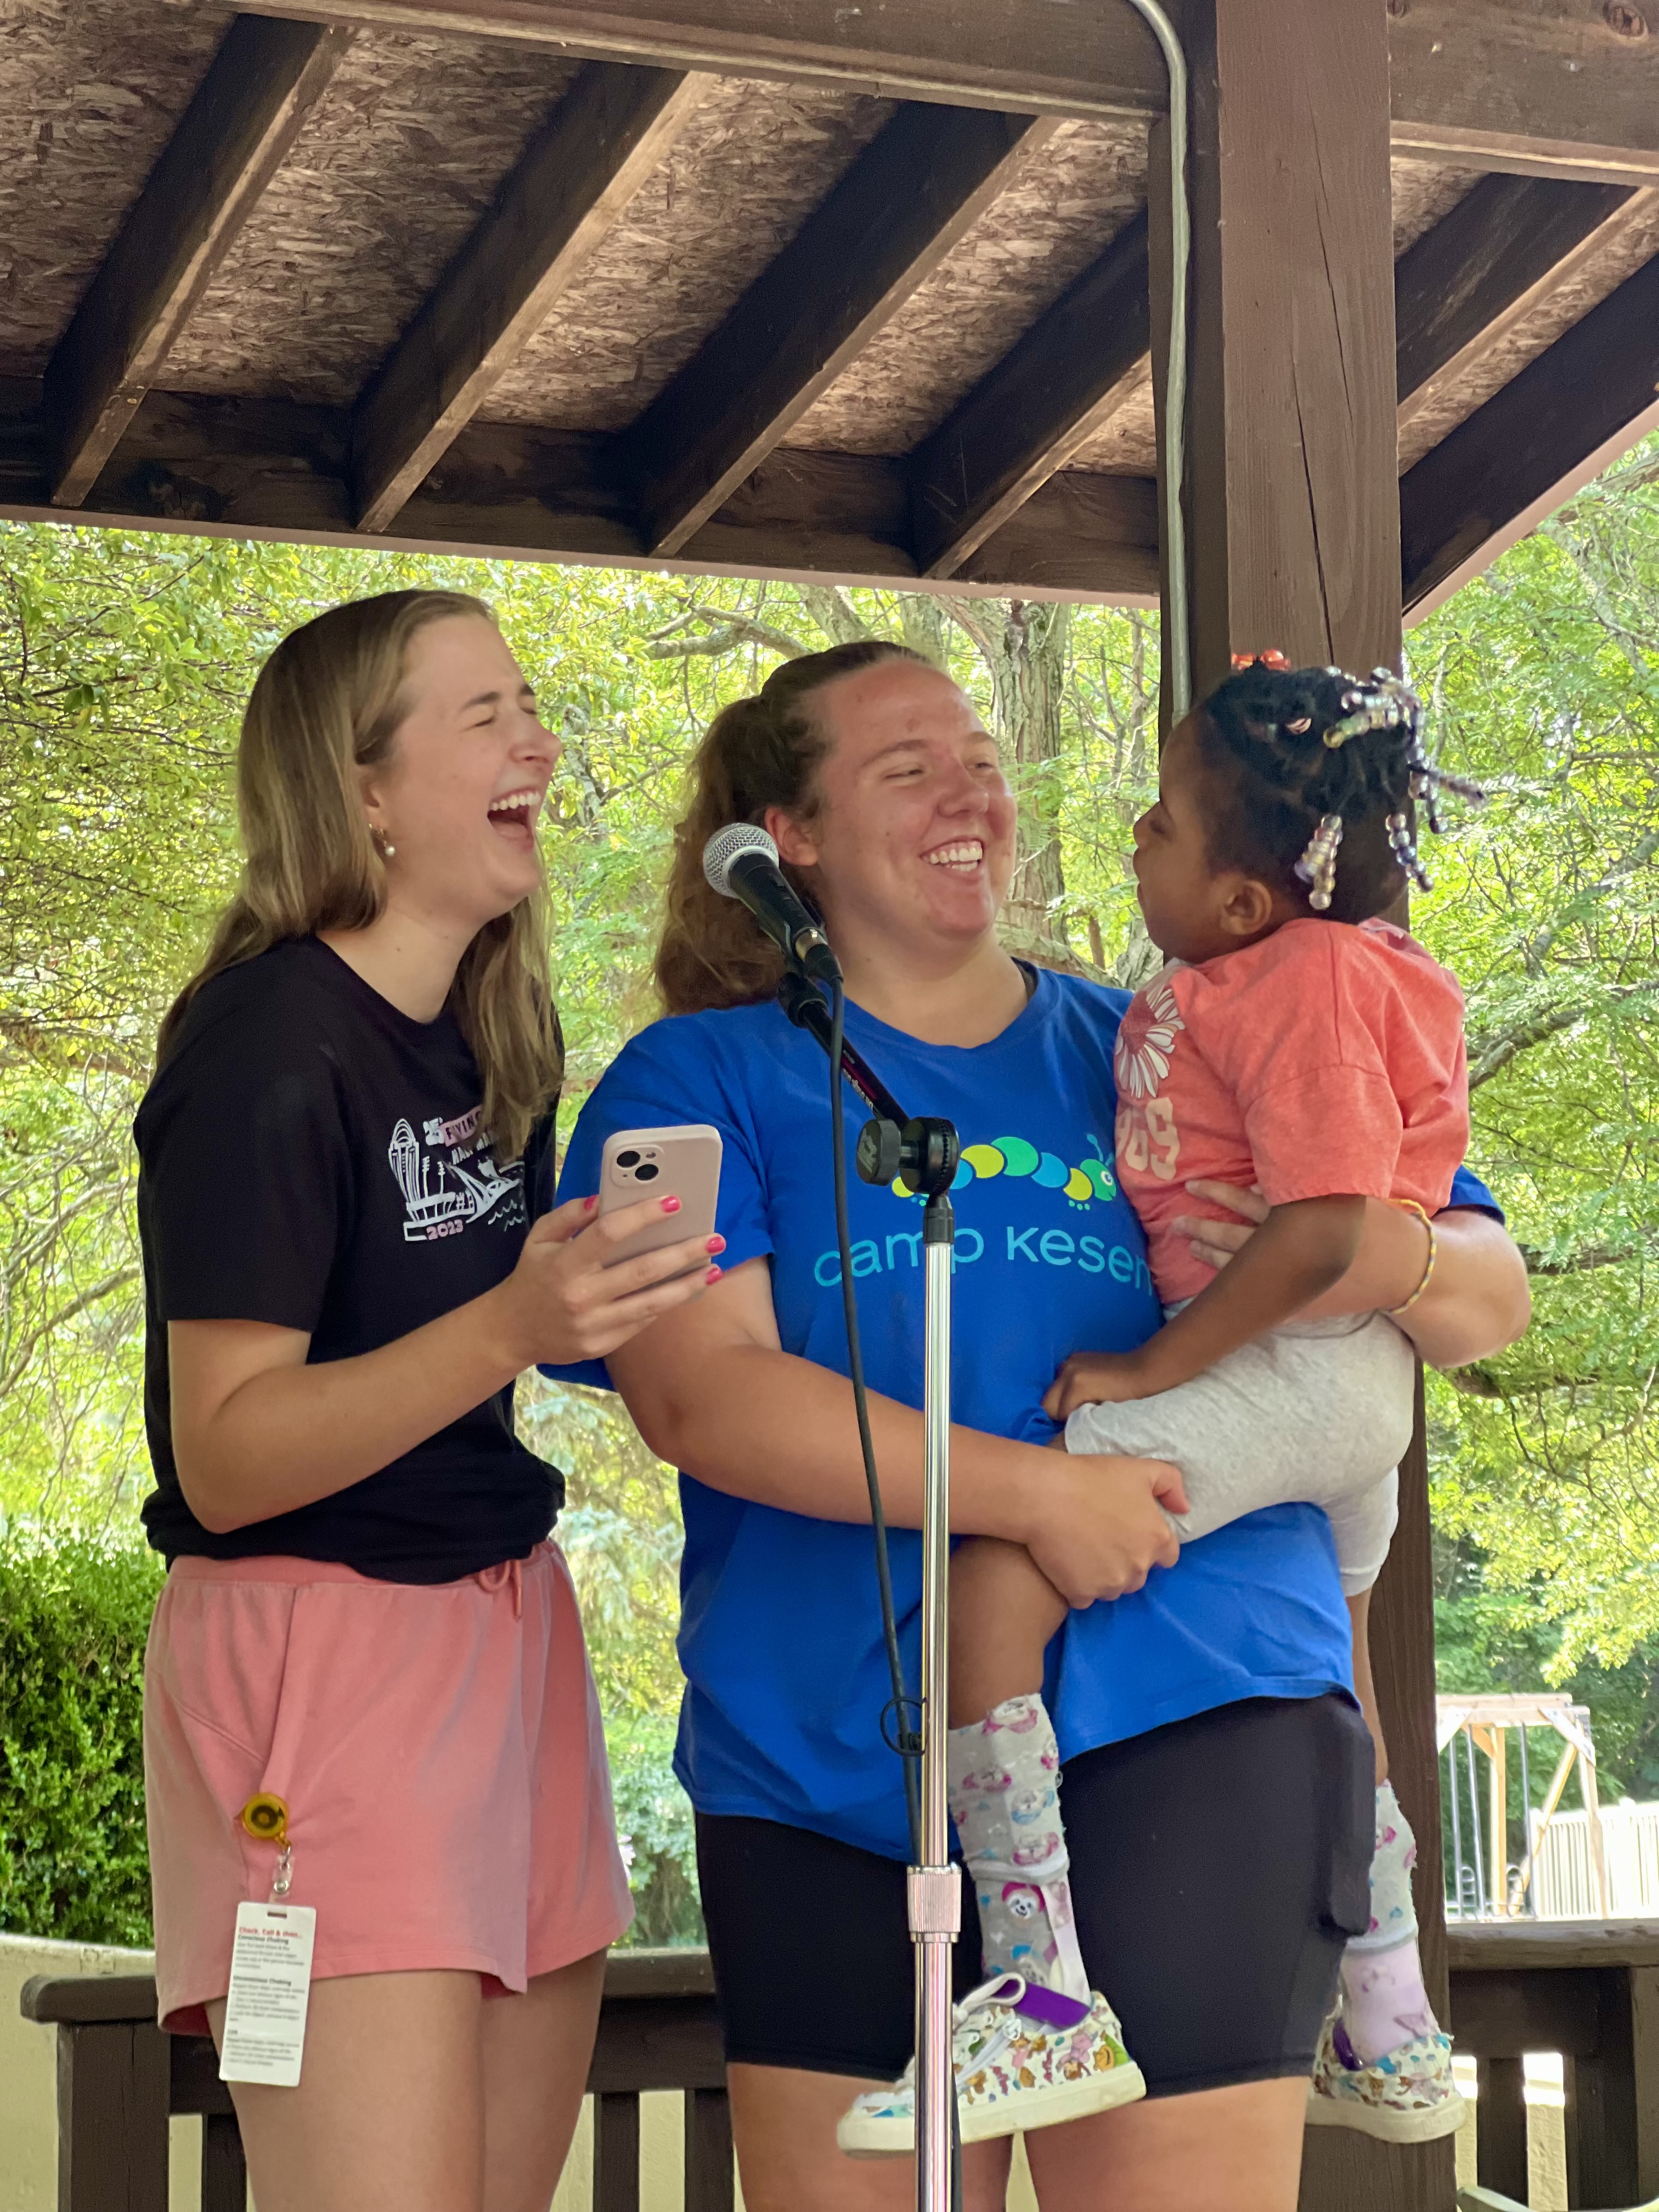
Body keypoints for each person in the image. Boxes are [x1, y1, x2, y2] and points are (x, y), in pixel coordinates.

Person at [551, 639, 1531, 2212]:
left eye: (982, 755)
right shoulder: (696, 1079)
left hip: (1195, 1710)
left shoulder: (1167, 1028)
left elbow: (1483, 1290)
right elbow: (696, 1393)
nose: (973, 792)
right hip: (832, 1762)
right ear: (785, 837)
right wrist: (1038, 1500)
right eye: (907, 766)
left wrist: (1373, 1246)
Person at [851, 653, 1485, 2159]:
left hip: (1291, 1374)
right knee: (1352, 1685)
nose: (1134, 843)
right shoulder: (1300, 972)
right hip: (1336, 1406)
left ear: (1250, 899)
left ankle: (1037, 1988)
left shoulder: (1307, 984)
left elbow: (1331, 1226)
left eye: (1160, 827)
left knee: (996, 1572)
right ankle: (1388, 2018)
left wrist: (1155, 1369)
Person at [136, 590, 720, 2212]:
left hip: (507, 1636)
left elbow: (480, 1352)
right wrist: (513, 1320)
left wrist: (611, 1307)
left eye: (532, 703)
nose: (538, 738)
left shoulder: (488, 1032)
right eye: (485, 714)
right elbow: (232, 1453)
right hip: (319, 1657)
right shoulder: (266, 1042)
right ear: (365, 789)